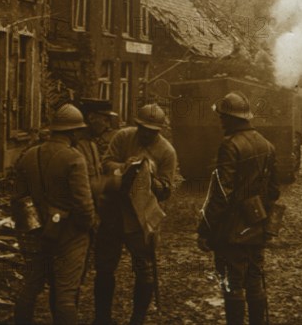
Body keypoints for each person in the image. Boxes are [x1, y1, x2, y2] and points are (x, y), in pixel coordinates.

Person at [197, 91, 280, 325]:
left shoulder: (230, 145)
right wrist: (258, 211)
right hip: (257, 225)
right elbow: (274, 191)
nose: (221, 121)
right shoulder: (267, 145)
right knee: (254, 280)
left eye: (223, 117)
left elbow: (222, 193)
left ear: (234, 119)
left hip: (231, 230)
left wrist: (205, 227)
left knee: (232, 283)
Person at [93, 103, 177, 325]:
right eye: (143, 128)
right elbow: (106, 164)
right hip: (113, 212)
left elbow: (167, 189)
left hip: (142, 219)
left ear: (159, 130)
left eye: (153, 131)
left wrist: (150, 177)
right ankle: (102, 318)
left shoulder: (166, 151)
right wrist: (124, 166)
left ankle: (137, 319)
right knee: (104, 267)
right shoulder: (123, 137)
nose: (147, 133)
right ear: (137, 125)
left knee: (144, 269)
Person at [12, 104, 96, 325]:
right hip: (69, 234)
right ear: (73, 132)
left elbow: (18, 199)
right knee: (66, 293)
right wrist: (86, 227)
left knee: (29, 287)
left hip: (35, 230)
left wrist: (32, 226)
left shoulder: (28, 155)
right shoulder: (74, 158)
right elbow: (84, 205)